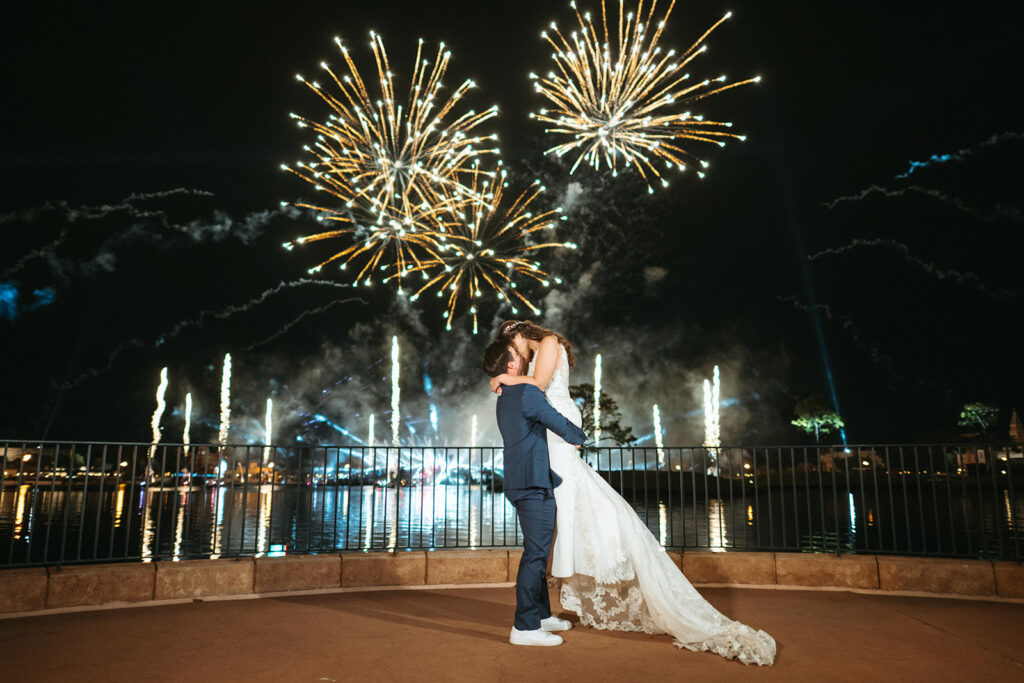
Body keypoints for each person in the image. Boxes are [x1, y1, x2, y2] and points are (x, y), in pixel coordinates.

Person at [487, 320, 776, 665]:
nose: (515, 357)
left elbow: (541, 385)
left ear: (518, 336)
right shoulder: (520, 382)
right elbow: (535, 392)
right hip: (547, 450)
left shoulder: (544, 347)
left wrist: (507, 379)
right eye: (510, 358)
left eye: (513, 348)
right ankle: (530, 620)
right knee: (542, 542)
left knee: (546, 539)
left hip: (554, 442)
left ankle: (537, 615)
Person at [481, 338, 587, 647]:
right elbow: (552, 419)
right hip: (531, 483)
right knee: (536, 554)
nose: (525, 357)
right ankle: (525, 627)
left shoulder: (507, 394)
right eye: (518, 355)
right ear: (512, 365)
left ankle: (541, 615)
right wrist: (579, 436)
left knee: (536, 550)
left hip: (521, 481)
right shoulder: (526, 391)